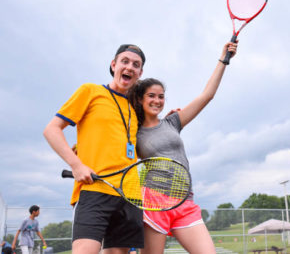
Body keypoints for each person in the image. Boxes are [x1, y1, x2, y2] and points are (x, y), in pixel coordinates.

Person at [128, 41, 238, 254]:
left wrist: (223, 60)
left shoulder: (172, 122)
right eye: (151, 95)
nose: (157, 100)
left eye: (161, 96)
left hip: (185, 201)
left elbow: (206, 96)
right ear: (140, 99)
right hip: (154, 201)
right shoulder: (134, 133)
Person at [43, 44, 146, 254]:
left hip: (130, 194)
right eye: (125, 61)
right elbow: (52, 130)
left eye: (136, 65)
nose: (130, 67)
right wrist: (77, 165)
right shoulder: (91, 91)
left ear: (140, 73)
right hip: (95, 188)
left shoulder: (136, 108)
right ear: (114, 64)